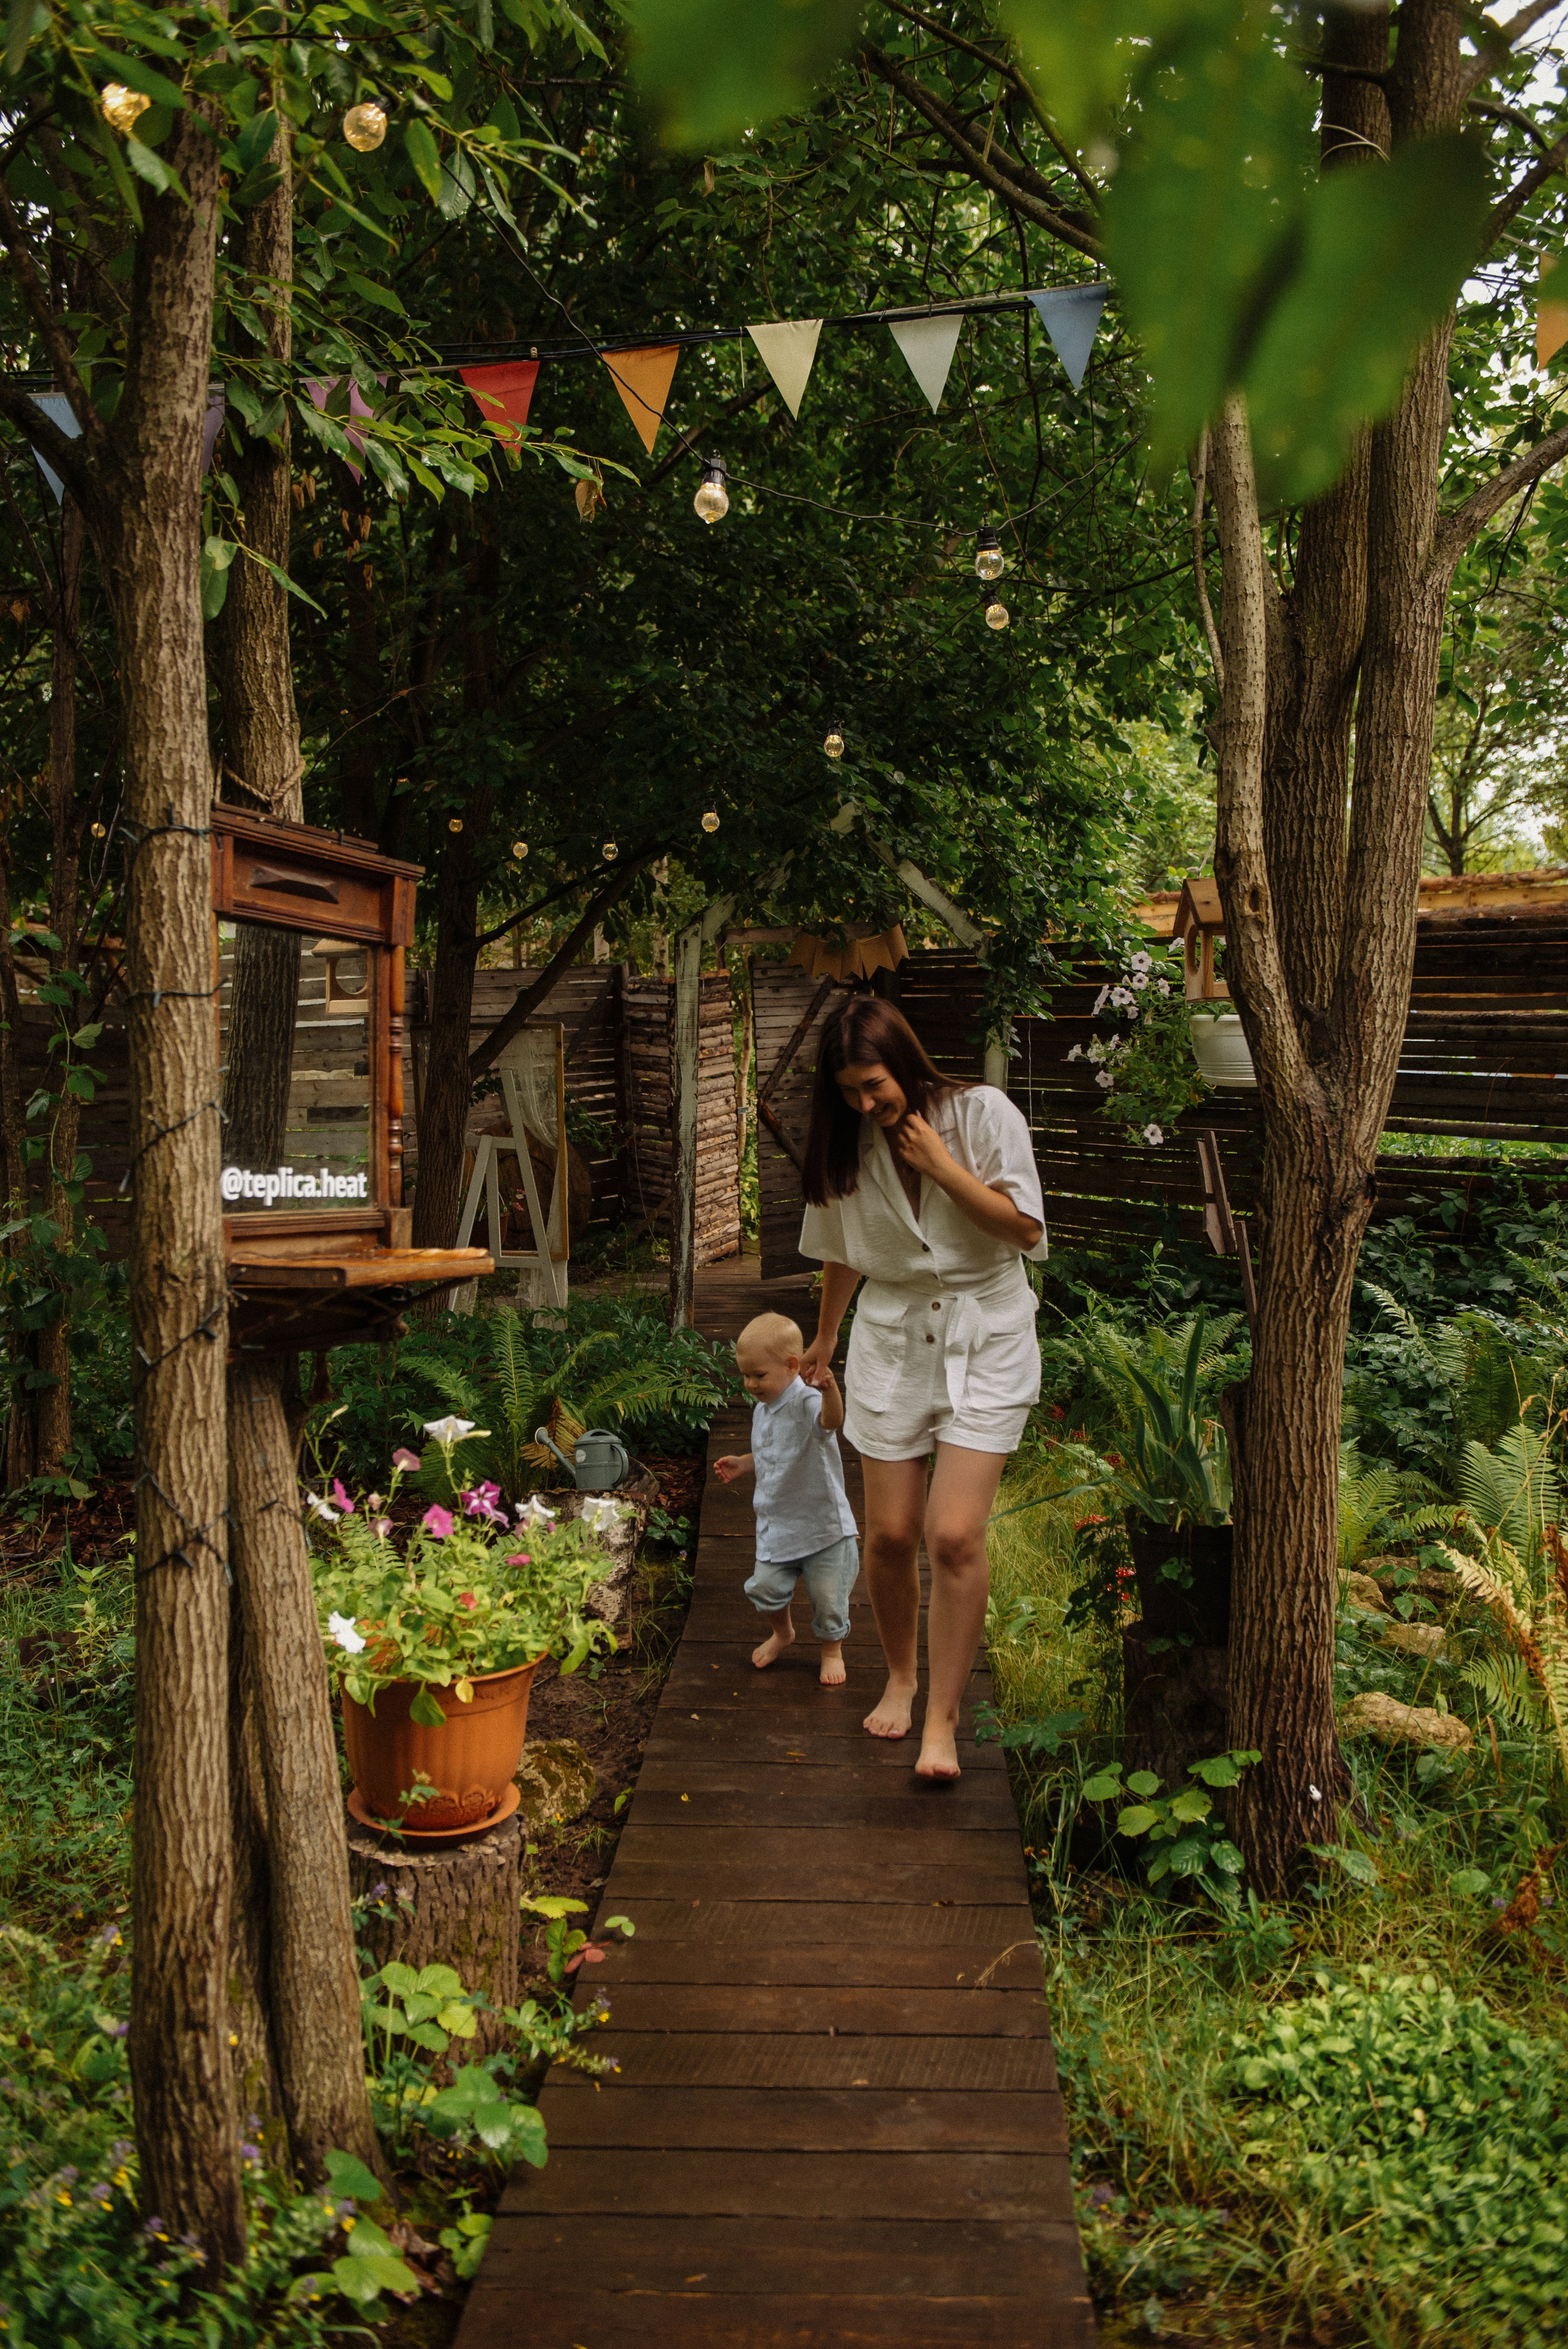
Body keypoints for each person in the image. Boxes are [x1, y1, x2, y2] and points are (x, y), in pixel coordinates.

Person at [796, 997, 1046, 1781]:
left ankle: (943, 1716)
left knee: (953, 1533)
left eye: (873, 1085)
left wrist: (941, 1165)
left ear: (901, 1060)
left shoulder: (981, 1114)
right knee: (893, 1535)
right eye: (849, 1093)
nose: (866, 1105)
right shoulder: (849, 1147)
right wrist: (828, 1333)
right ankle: (900, 1675)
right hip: (892, 1338)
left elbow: (1025, 1231)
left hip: (987, 1332)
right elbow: (843, 1247)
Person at [713, 1310, 860, 1689]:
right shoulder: (764, 1409)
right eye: (745, 1375)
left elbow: (830, 1423)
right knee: (765, 1587)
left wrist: (830, 1391)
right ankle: (783, 1633)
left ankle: (831, 1649)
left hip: (822, 1527)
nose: (749, 1384)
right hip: (779, 1522)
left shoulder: (806, 1401)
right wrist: (745, 1463)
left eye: (758, 1375)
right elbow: (774, 1452)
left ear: (792, 1365)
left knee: (829, 1598)